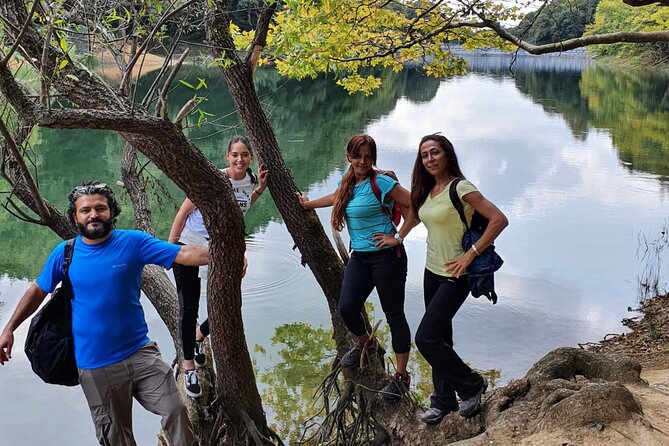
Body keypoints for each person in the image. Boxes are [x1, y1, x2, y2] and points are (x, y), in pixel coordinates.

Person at [0, 181, 208, 446]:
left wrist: (224, 255)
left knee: (175, 409)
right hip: (96, 366)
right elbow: (37, 292)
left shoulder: (132, 242)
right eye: (85, 210)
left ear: (112, 211)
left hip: (141, 353)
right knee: (116, 438)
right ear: (75, 217)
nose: (93, 215)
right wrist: (9, 329)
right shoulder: (65, 253)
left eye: (100, 208)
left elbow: (183, 252)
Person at [393, 134, 508, 423]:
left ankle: (472, 385)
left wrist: (470, 254)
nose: (430, 159)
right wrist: (397, 238)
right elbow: (416, 216)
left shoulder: (461, 187)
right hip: (432, 271)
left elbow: (498, 219)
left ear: (447, 155)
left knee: (426, 338)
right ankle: (442, 401)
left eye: (435, 153)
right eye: (424, 155)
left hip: (457, 275)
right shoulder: (428, 190)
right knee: (442, 338)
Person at [296, 134, 413, 401]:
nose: (362, 161)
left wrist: (399, 236)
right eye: (357, 156)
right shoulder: (348, 180)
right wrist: (308, 204)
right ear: (349, 156)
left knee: (394, 315)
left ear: (373, 158)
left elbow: (413, 205)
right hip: (360, 256)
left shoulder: (381, 181)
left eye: (368, 157)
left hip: (387, 257)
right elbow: (337, 197)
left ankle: (401, 377)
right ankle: (367, 343)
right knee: (347, 307)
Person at [168, 135, 267, 398]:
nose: (239, 159)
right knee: (188, 306)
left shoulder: (250, 181)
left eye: (245, 154)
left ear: (250, 158)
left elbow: (240, 209)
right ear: (227, 156)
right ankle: (189, 365)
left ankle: (200, 335)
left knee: (228, 301)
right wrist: (171, 246)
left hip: (222, 250)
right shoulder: (213, 179)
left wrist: (257, 192)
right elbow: (184, 212)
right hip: (191, 245)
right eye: (235, 154)